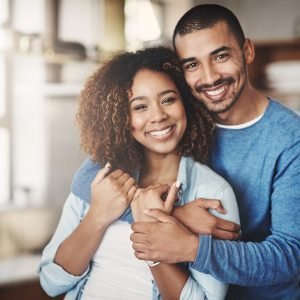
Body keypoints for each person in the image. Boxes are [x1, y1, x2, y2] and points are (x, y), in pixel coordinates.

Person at [38, 46, 240, 299]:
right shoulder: (101, 178)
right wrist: (97, 216)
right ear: (121, 117)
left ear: (186, 103)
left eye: (168, 99)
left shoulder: (212, 193)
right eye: (140, 107)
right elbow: (51, 282)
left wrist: (150, 231)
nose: (158, 116)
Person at [130, 4, 300, 300]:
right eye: (192, 64)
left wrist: (191, 246)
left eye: (220, 56)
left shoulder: (291, 140)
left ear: (247, 51)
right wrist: (178, 218)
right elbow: (100, 183)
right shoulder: (177, 123)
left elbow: (290, 256)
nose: (209, 78)